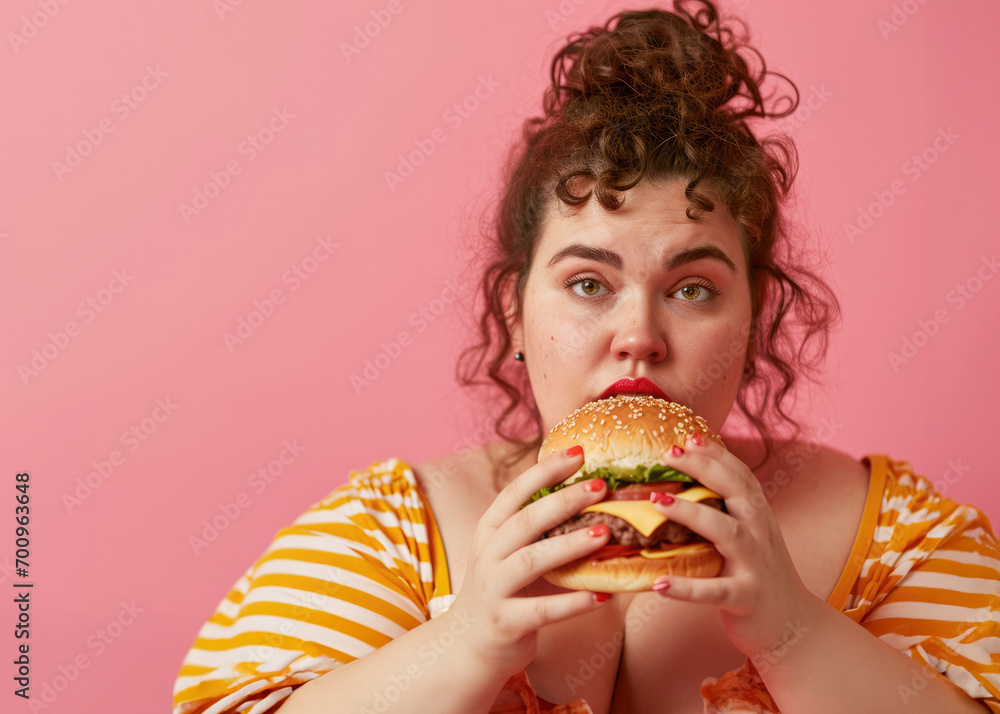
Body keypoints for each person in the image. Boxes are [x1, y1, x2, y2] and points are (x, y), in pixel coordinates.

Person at [172, 2, 1000, 712]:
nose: (637, 333)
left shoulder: (896, 534)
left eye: (693, 289)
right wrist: (466, 643)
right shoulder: (391, 530)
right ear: (516, 313)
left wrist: (796, 630)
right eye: (588, 283)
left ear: (756, 322)